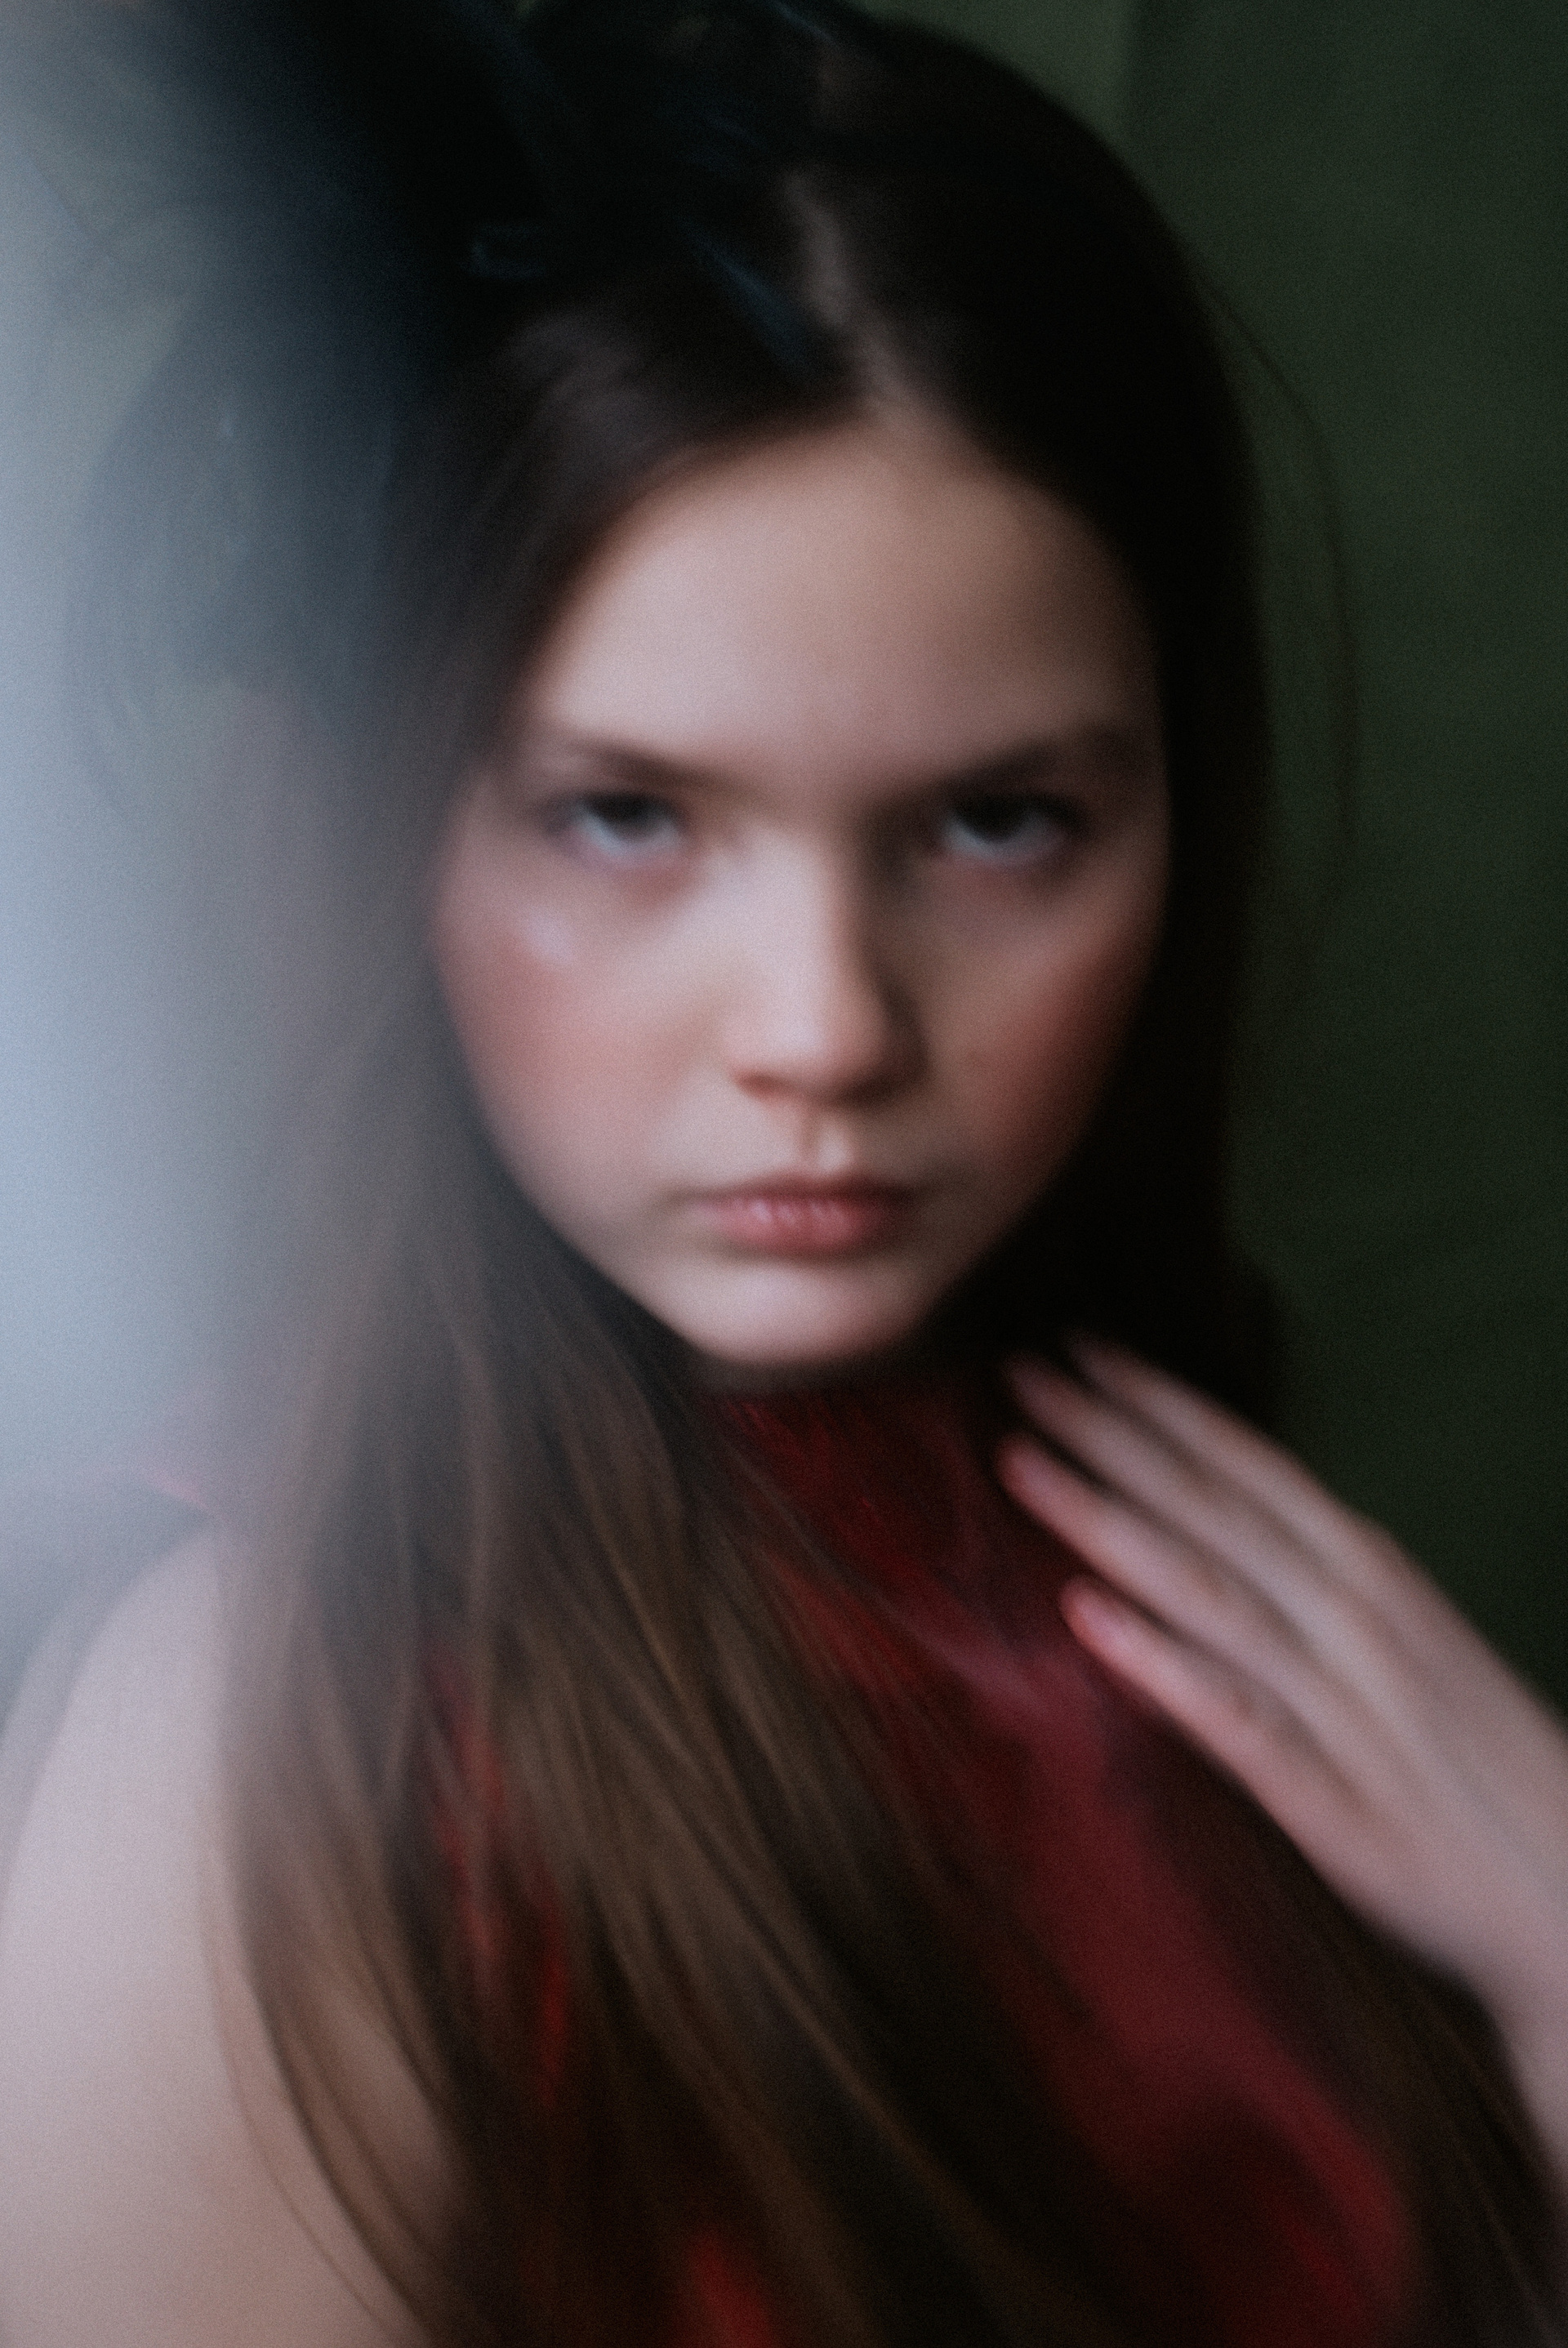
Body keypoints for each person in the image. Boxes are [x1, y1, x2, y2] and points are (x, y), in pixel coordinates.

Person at [0, 2, 1561, 2343]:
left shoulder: (1196, 1574)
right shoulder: (272, 1742)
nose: (826, 1029)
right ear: (400, 831)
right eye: (627, 816)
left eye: (1000, 821)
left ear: (1181, 810)